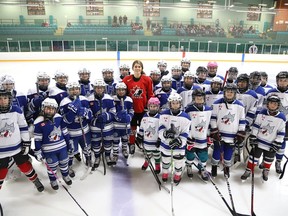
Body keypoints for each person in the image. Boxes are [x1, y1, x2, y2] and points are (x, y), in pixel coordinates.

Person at [0, 87, 44, 192]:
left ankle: (35, 180)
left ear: (9, 99)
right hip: (1, 151)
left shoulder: (16, 110)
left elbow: (23, 127)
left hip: (17, 147)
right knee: (1, 173)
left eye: (5, 98)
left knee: (25, 166)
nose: (3, 101)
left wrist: (27, 143)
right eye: (0, 98)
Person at [241, 95, 286, 181]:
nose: (272, 105)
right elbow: (256, 126)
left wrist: (278, 142)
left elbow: (281, 132)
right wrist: (253, 136)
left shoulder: (281, 117)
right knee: (253, 157)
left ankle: (266, 170)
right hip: (259, 141)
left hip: (271, 143)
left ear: (278, 105)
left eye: (275, 104)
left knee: (268, 159)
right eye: (271, 103)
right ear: (267, 104)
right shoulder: (262, 113)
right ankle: (248, 170)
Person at [34, 98, 72, 190]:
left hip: (62, 147)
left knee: (64, 162)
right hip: (49, 151)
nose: (50, 110)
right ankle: (53, 180)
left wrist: (69, 143)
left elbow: (64, 131)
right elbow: (37, 139)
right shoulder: (38, 122)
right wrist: (38, 151)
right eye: (48, 108)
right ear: (43, 108)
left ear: (56, 109)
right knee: (52, 165)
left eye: (52, 108)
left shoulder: (59, 117)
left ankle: (65, 175)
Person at [210, 83, 246, 178]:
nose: (229, 93)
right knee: (217, 151)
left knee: (229, 152)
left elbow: (242, 120)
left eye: (231, 92)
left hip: (232, 134)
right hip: (219, 133)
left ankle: (227, 168)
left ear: (235, 93)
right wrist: (214, 130)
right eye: (227, 92)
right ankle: (214, 167)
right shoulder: (217, 103)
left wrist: (241, 132)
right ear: (224, 92)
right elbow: (213, 118)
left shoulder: (240, 105)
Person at [59, 82, 92, 174]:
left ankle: (88, 161)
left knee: (87, 148)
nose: (75, 91)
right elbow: (65, 120)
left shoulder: (84, 99)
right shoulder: (64, 102)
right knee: (71, 152)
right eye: (72, 89)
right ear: (68, 91)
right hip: (72, 133)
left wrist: (84, 112)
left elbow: (90, 115)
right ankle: (69, 166)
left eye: (76, 89)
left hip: (84, 131)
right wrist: (72, 111)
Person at [123, 60, 154, 154]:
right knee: (132, 128)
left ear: (142, 68)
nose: (137, 68)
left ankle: (142, 142)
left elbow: (150, 93)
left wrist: (150, 106)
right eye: (135, 66)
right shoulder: (126, 79)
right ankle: (131, 143)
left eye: (139, 66)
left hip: (143, 109)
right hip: (131, 109)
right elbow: (123, 93)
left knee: (143, 128)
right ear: (132, 68)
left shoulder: (147, 79)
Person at [158, 93, 191, 184]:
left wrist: (180, 141)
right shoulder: (164, 114)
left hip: (179, 147)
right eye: (173, 103)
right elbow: (160, 127)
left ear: (180, 103)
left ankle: (177, 174)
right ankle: (165, 173)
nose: (175, 105)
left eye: (177, 103)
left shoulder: (186, 117)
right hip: (166, 144)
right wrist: (165, 133)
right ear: (170, 104)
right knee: (165, 160)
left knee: (179, 161)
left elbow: (185, 132)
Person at [185, 89, 212, 181]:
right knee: (190, 154)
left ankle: (202, 169)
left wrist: (209, 136)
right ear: (193, 98)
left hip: (203, 137)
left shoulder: (208, 110)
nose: (199, 100)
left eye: (201, 98)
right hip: (192, 137)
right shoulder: (188, 109)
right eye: (197, 98)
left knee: (203, 155)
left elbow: (209, 123)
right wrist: (188, 137)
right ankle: (189, 166)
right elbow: (186, 124)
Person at [88, 79, 116, 168]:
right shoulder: (89, 99)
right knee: (95, 144)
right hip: (95, 128)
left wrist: (106, 116)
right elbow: (88, 114)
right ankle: (97, 157)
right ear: (94, 88)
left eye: (101, 88)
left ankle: (107, 156)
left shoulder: (109, 98)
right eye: (97, 88)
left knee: (108, 143)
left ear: (104, 88)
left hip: (108, 127)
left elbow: (113, 112)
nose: (99, 89)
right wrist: (95, 121)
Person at [265, 71, 288, 173]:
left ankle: (278, 161)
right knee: (267, 141)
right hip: (271, 122)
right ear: (277, 81)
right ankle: (265, 161)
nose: (282, 83)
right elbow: (264, 106)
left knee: (282, 142)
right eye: (281, 80)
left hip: (285, 123)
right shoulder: (271, 92)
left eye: (285, 81)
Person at [137, 97, 161, 174]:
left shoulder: (160, 117)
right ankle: (147, 162)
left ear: (158, 107)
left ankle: (157, 165)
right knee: (147, 153)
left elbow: (161, 129)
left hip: (155, 141)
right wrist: (140, 136)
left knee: (157, 155)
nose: (153, 108)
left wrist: (160, 139)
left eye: (155, 107)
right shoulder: (145, 116)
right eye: (151, 106)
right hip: (147, 140)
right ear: (148, 106)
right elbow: (142, 126)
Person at [112, 82, 134, 163]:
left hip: (126, 125)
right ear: (116, 90)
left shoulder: (129, 99)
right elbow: (111, 111)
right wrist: (116, 116)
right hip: (116, 125)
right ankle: (115, 153)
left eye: (123, 90)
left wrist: (129, 117)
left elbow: (131, 110)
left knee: (125, 139)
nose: (121, 92)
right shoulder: (113, 99)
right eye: (119, 90)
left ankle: (124, 149)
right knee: (115, 140)